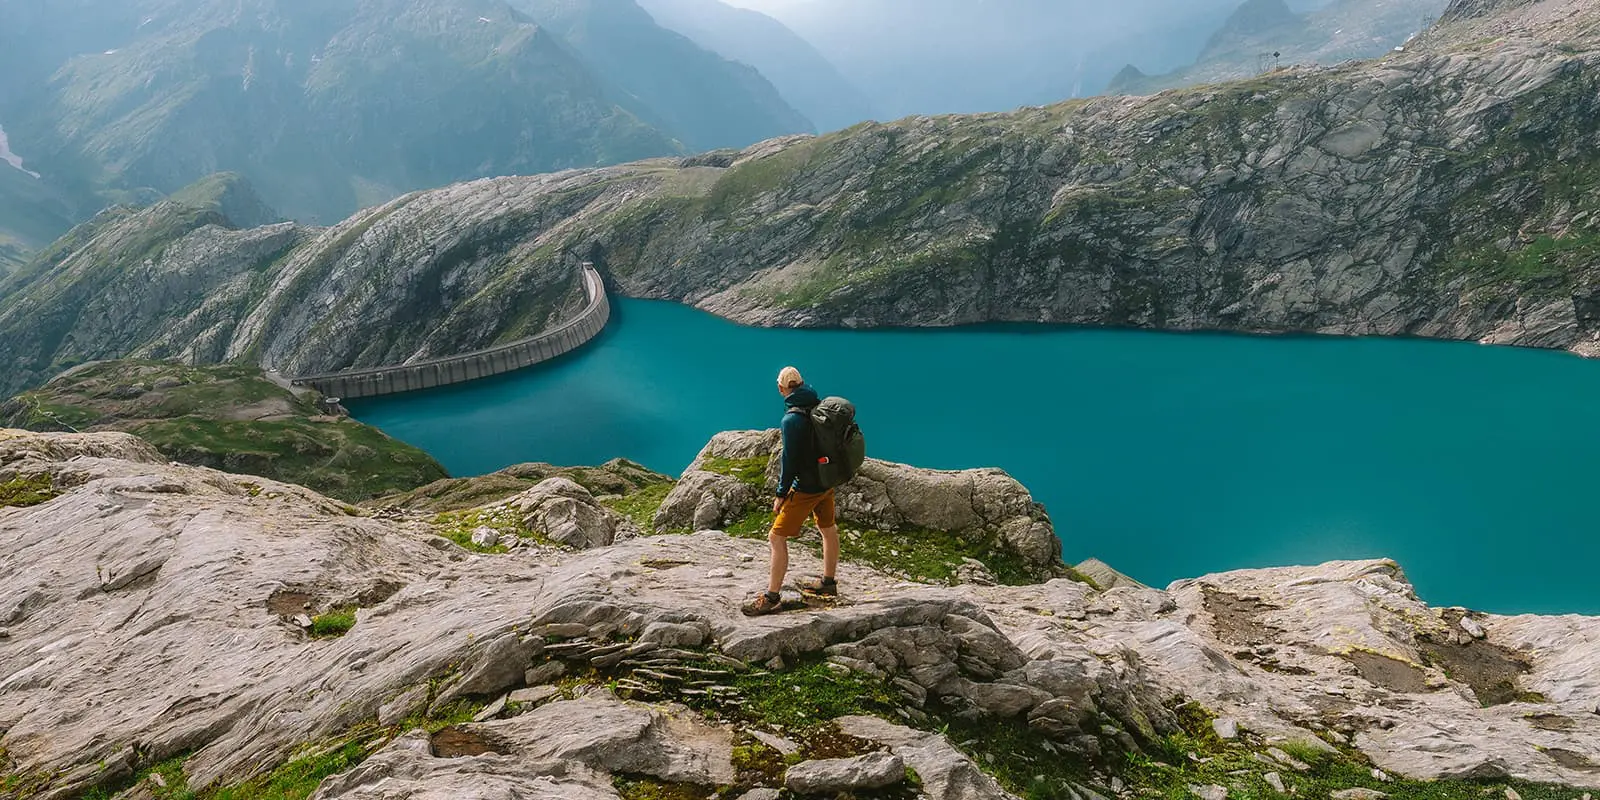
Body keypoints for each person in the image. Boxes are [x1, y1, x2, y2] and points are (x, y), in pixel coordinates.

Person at [742, 366, 841, 617]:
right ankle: (828, 584)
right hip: (826, 481)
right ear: (802, 383)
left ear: (781, 388)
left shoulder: (791, 420)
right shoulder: (819, 406)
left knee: (776, 538)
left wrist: (781, 493)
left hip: (807, 487)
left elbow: (789, 461)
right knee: (828, 530)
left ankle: (772, 597)